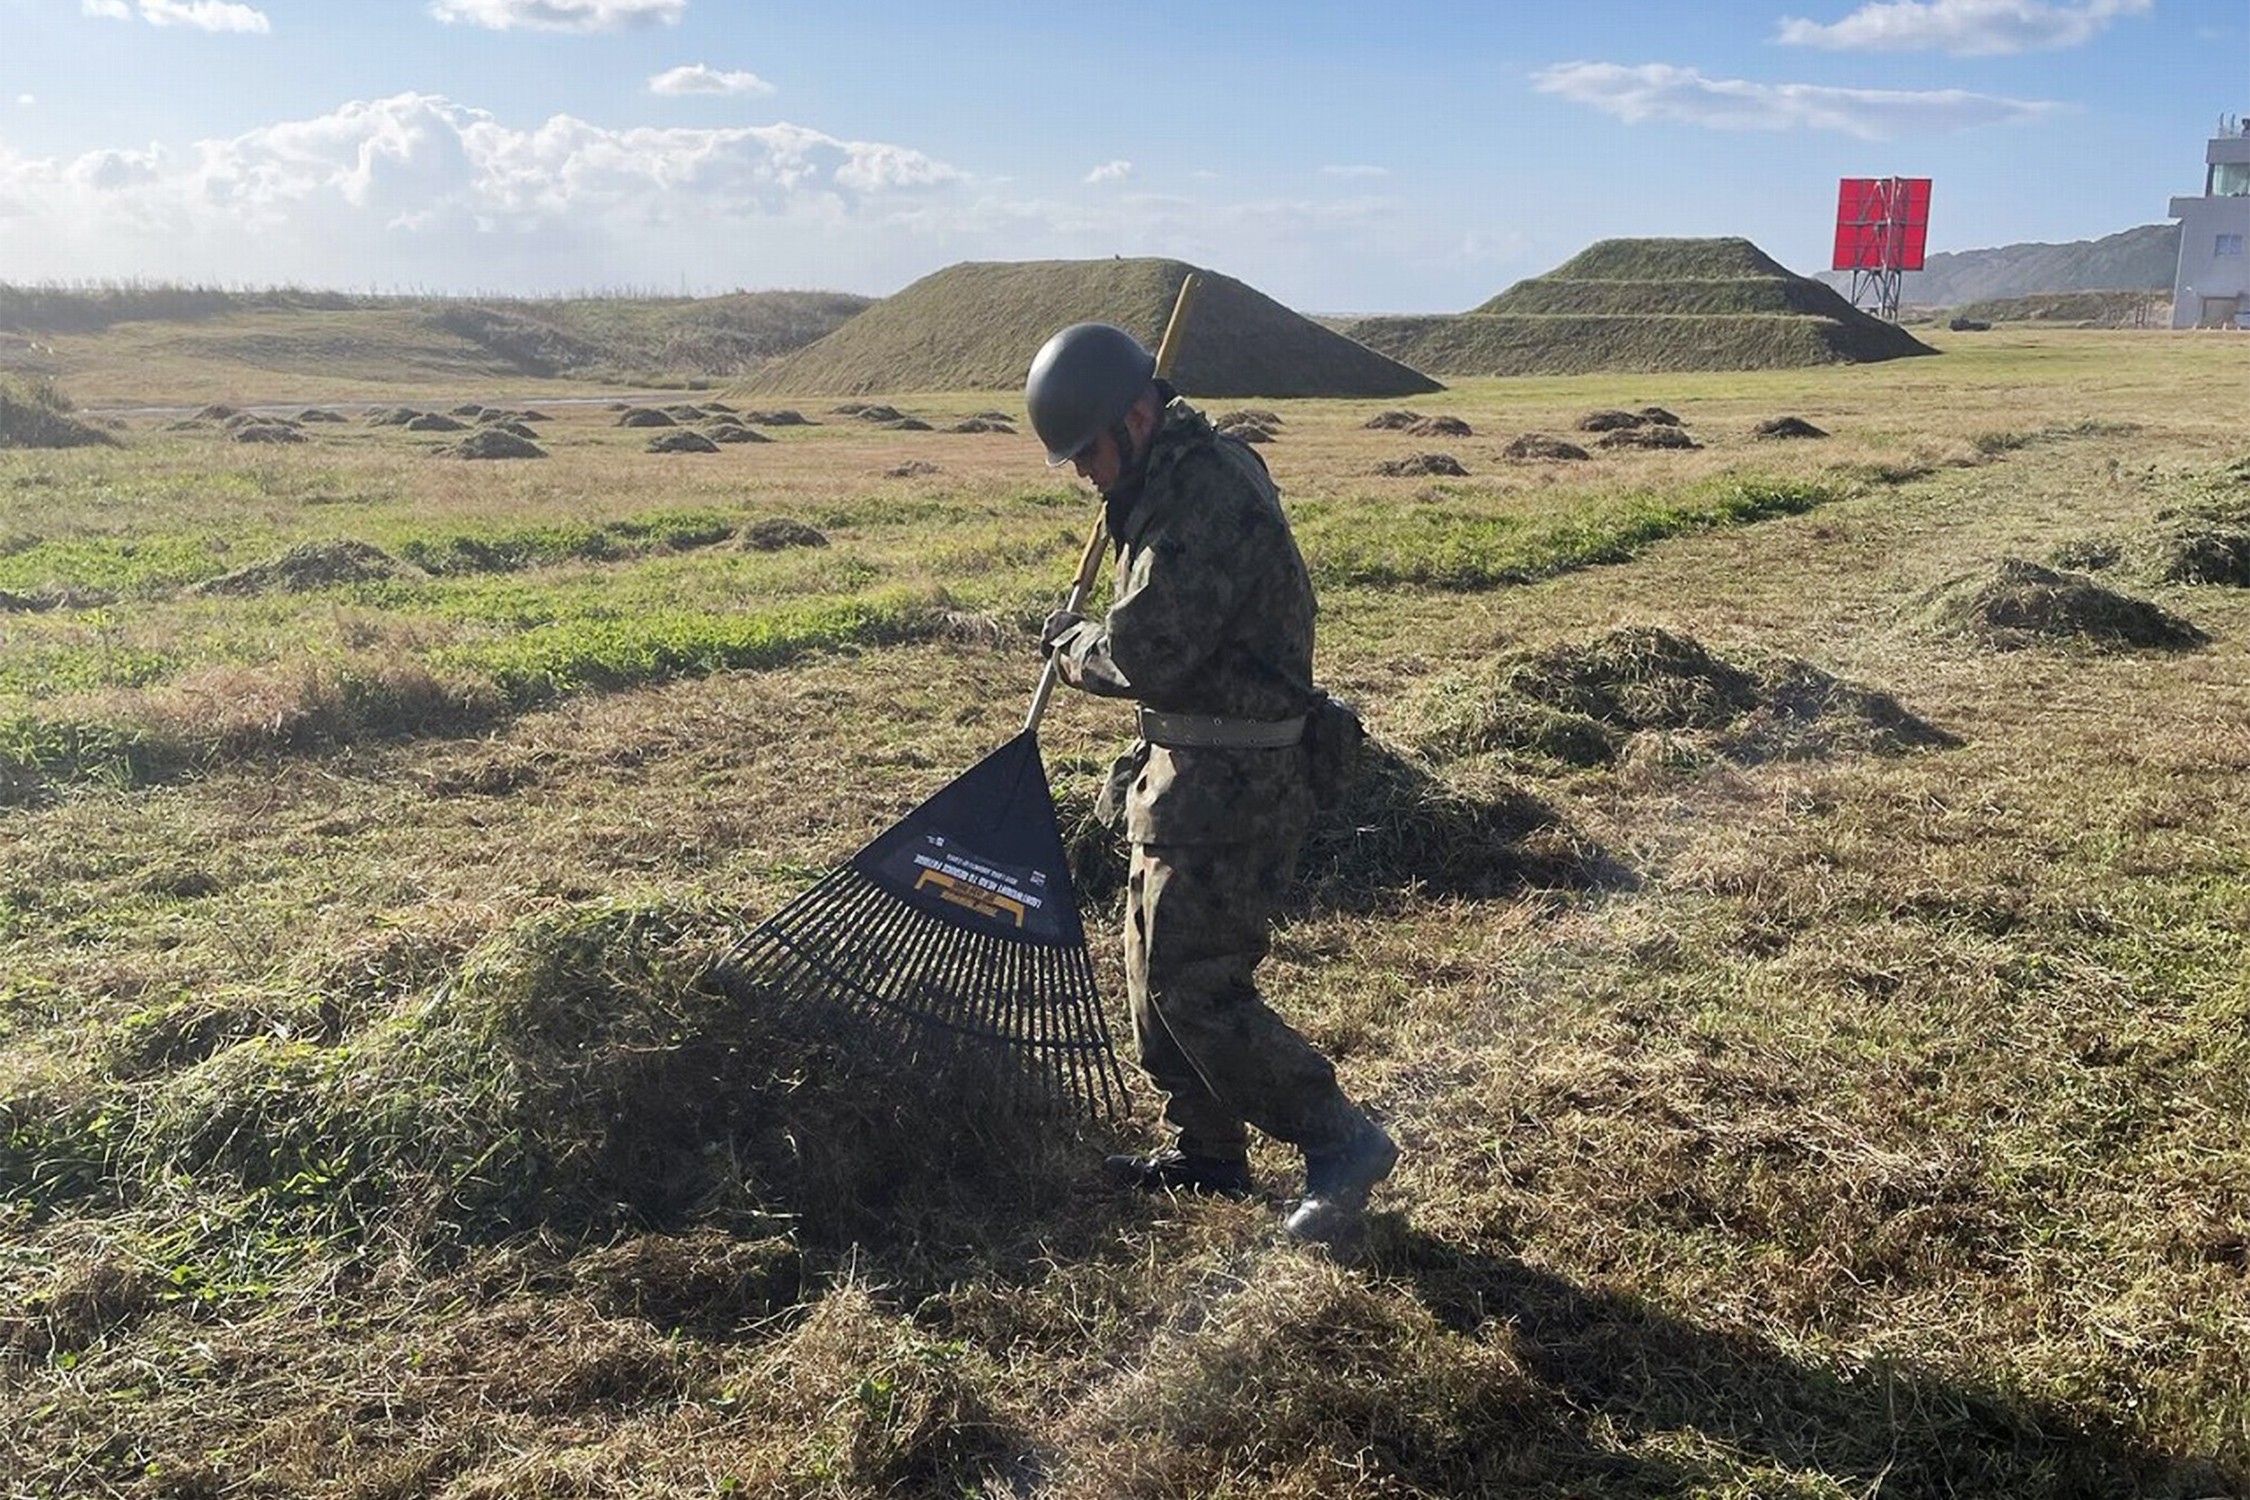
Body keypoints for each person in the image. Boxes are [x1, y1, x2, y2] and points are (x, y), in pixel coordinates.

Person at [1022, 319, 1398, 1245]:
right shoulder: (1162, 480)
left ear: (1137, 418)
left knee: (1196, 984)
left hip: (1238, 782)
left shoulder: (1207, 495)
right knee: (1148, 970)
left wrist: (1074, 645)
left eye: (1089, 453)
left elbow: (1149, 651)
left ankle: (1339, 1140)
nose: (1085, 474)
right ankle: (1208, 1150)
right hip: (1186, 771)